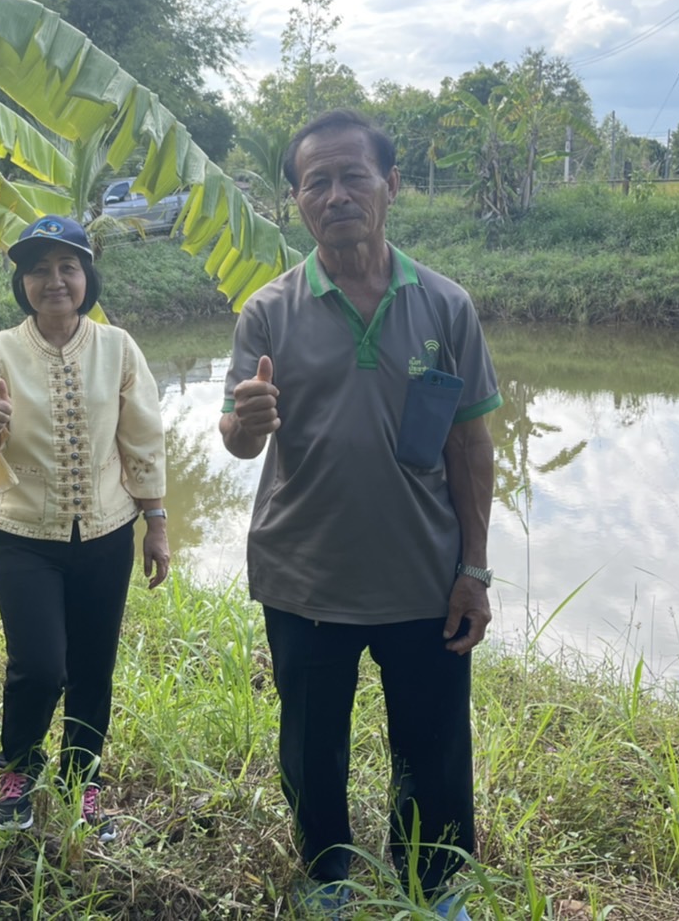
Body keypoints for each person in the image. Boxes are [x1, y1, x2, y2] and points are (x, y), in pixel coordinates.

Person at [219, 111, 501, 919]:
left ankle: (436, 884)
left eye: (354, 176)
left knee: (434, 744)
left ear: (391, 185)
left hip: (424, 575)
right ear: (297, 201)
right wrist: (247, 422)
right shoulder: (267, 313)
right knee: (312, 745)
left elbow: (470, 446)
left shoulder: (445, 307)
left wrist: (474, 570)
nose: (337, 195)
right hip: (305, 576)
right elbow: (237, 438)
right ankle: (328, 878)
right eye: (317, 182)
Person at [0, 215, 171, 841]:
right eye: (39, 270)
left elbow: (142, 438)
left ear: (86, 277)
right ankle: (17, 770)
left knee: (94, 665)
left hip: (108, 533)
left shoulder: (117, 347)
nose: (54, 281)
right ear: (22, 283)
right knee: (40, 665)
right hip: (23, 535)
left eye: (67, 267)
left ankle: (84, 780)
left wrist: (155, 521)